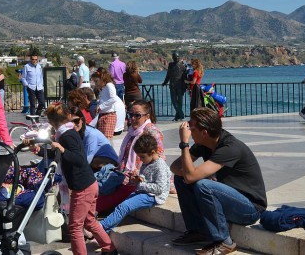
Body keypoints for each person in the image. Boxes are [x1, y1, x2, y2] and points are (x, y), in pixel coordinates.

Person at [170, 107, 267, 255]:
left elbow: (191, 177)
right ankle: (198, 231)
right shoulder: (204, 143)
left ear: (204, 133)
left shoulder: (229, 147)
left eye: (192, 127)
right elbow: (176, 168)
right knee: (181, 179)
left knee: (204, 186)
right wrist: (198, 174)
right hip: (230, 199)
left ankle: (225, 242)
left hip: (250, 208)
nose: (188, 129)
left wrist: (184, 143)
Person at [42, 103, 118, 255]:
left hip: (82, 187)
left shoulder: (66, 136)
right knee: (89, 221)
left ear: (52, 122)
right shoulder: (67, 132)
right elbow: (59, 154)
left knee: (75, 226)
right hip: (89, 184)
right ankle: (109, 249)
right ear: (68, 116)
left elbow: (79, 159)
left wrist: (62, 149)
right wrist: (39, 150)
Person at [96, 100, 166, 214]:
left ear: (147, 116)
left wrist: (140, 175)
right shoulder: (132, 131)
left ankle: (93, 213)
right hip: (124, 174)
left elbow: (160, 157)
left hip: (139, 178)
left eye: (137, 115)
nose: (132, 118)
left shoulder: (152, 131)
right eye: (130, 115)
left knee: (118, 191)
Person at [100, 134, 171, 233]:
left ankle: (99, 227)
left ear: (153, 152)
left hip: (154, 196)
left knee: (124, 206)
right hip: (144, 191)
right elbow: (145, 177)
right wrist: (138, 178)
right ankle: (104, 232)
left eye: (142, 157)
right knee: (121, 206)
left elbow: (160, 188)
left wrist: (140, 184)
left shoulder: (160, 166)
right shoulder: (147, 161)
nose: (141, 160)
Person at [69, 106, 118, 171]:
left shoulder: (90, 134)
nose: (73, 124)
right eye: (70, 122)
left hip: (109, 161)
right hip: (94, 158)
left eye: (76, 121)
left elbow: (88, 158)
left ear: (82, 120)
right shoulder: (75, 132)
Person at [91, 68, 118, 139]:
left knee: (107, 139)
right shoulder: (104, 88)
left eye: (96, 81)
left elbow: (113, 98)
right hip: (103, 115)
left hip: (108, 115)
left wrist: (101, 107)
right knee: (102, 138)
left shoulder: (109, 85)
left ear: (102, 78)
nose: (96, 84)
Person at [162, 52, 187, 121]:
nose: (177, 58)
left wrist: (186, 85)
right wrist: (165, 82)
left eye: (178, 57)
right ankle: (181, 114)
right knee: (174, 101)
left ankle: (177, 116)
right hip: (172, 86)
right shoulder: (171, 65)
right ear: (173, 58)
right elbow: (168, 75)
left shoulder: (182, 66)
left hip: (180, 86)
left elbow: (185, 77)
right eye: (175, 57)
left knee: (180, 102)